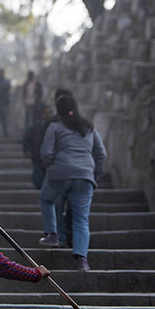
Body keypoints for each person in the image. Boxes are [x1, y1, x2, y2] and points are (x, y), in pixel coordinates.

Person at [38, 95, 107, 271]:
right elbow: (101, 154)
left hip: (59, 175)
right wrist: (94, 173)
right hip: (85, 177)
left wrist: (52, 166)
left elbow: (46, 152)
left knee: (47, 200)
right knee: (81, 219)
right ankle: (82, 260)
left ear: (58, 111)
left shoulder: (54, 127)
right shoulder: (89, 128)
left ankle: (53, 234)